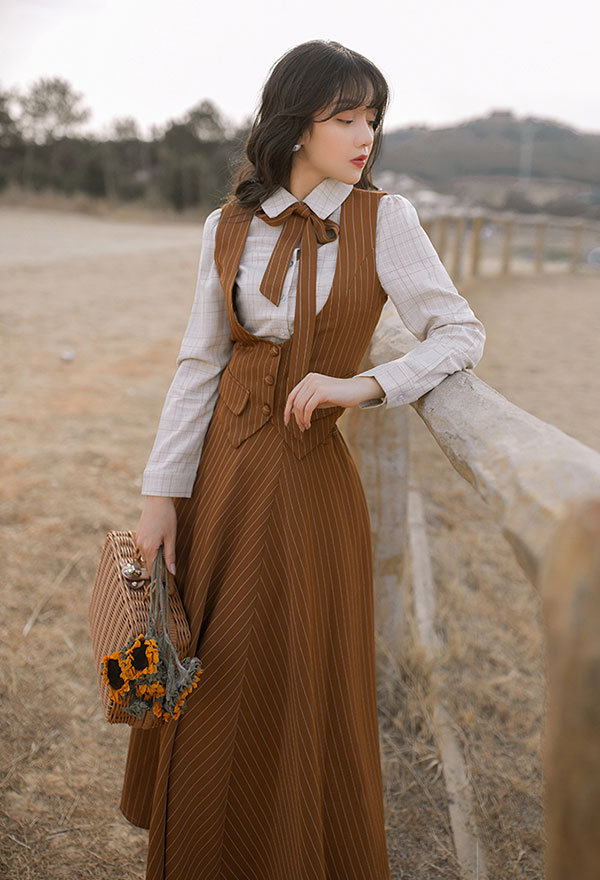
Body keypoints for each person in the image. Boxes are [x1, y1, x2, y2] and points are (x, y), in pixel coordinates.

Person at [122, 39, 486, 880]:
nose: (366, 136)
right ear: (295, 125)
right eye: (345, 117)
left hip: (310, 485)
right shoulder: (230, 226)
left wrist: (365, 385)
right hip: (220, 481)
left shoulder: (384, 218)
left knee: (285, 675)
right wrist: (159, 495)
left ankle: (287, 849)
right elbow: (198, 366)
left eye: (373, 119)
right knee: (203, 668)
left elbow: (460, 333)